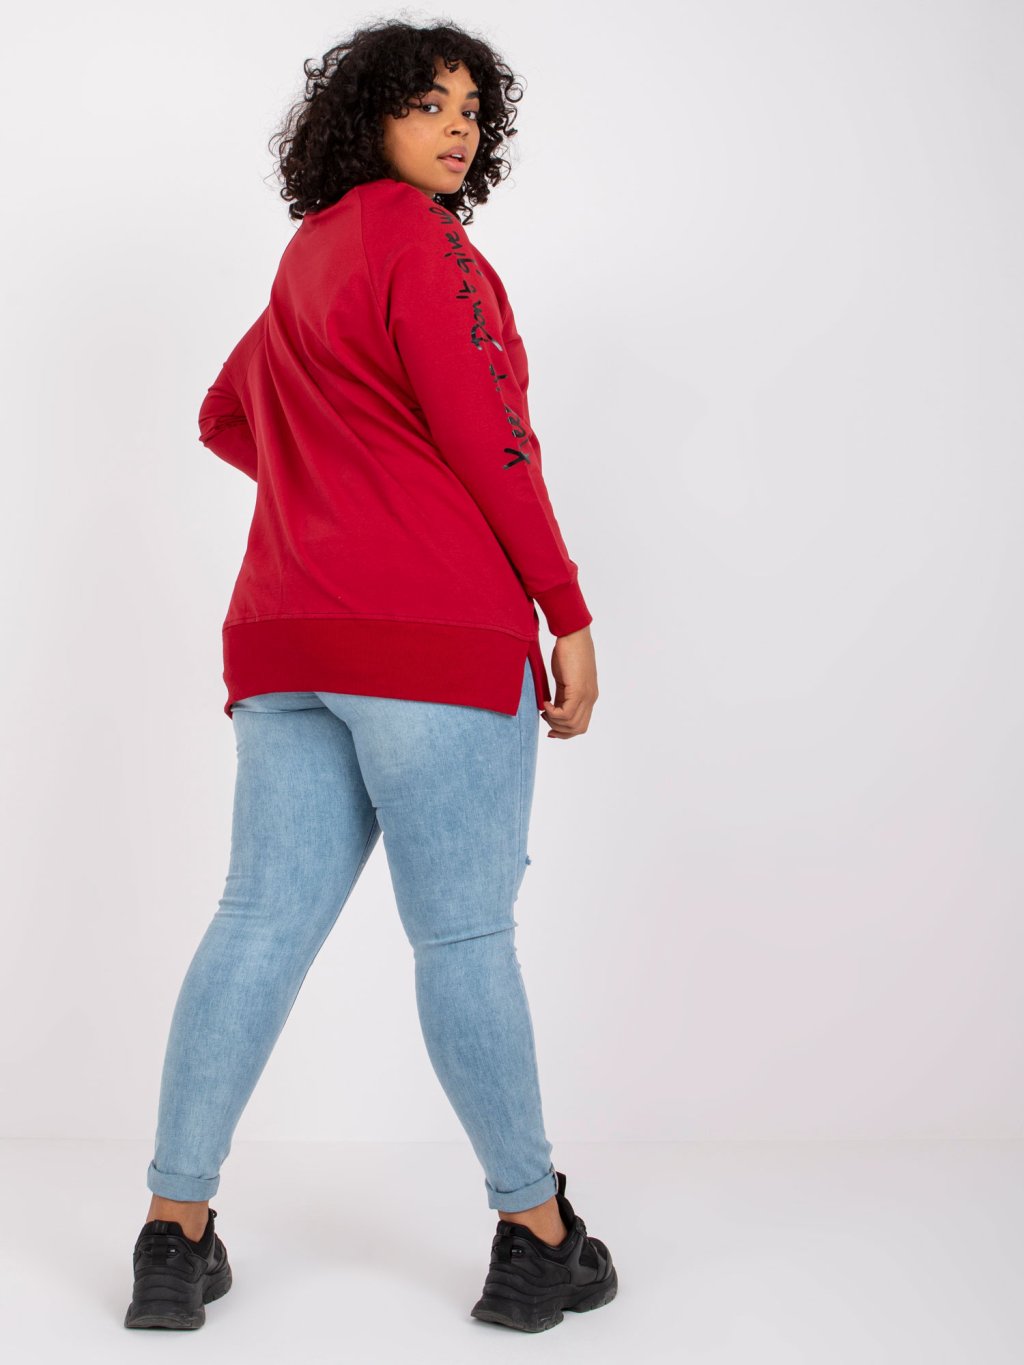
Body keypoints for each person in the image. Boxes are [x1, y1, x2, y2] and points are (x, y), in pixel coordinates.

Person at [124, 21, 617, 1335]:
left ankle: (173, 1234)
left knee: (256, 923)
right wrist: (565, 611)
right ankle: (536, 1233)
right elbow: (492, 438)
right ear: (369, 119)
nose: (458, 126)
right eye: (428, 103)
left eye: (472, 110)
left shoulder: (308, 258)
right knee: (461, 937)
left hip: (288, 638)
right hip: (431, 644)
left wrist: (337, 493)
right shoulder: (424, 245)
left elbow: (228, 414)